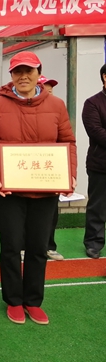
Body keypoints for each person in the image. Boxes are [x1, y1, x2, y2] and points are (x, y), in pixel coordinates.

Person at [0, 51, 77, 326]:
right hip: (9, 192)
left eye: (28, 71)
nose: (23, 76)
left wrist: (69, 174)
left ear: (38, 74)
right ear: (11, 76)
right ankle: (14, 300)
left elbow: (67, 142)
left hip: (45, 190)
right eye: (17, 71)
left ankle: (33, 300)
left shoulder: (56, 105)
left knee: (38, 246)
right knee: (10, 246)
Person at [38, 75, 64, 261]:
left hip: (50, 167)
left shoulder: (57, 108)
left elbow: (65, 139)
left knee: (51, 209)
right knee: (27, 211)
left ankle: (49, 246)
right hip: (27, 168)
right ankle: (24, 246)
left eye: (51, 90)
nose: (49, 93)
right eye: (45, 90)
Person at [81, 64, 106, 260]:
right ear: (104, 77)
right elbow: (96, 132)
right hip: (101, 164)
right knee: (98, 207)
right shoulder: (92, 103)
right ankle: (93, 243)